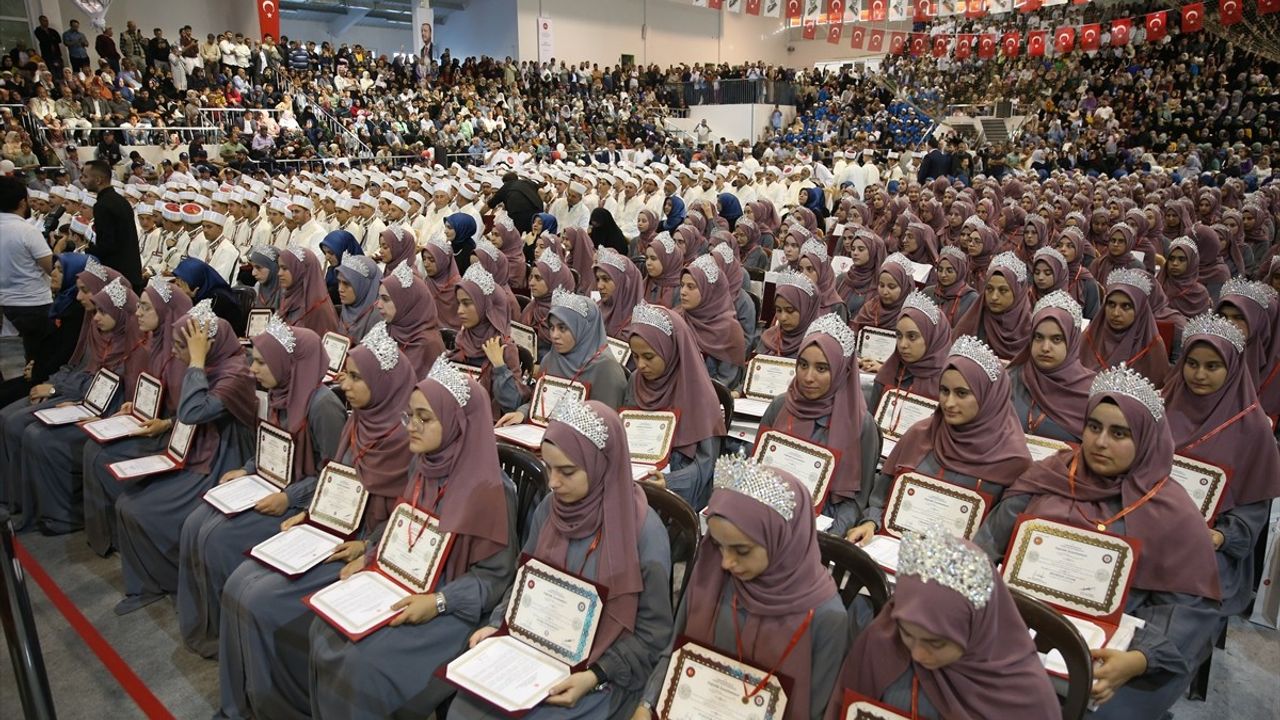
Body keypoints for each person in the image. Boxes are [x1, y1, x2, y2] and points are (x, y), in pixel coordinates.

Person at [976, 365, 1222, 718]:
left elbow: (1186, 611)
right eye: (1094, 427)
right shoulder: (1053, 474)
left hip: (1111, 648)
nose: (1100, 442)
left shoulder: (1173, 512)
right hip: (1014, 623)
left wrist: (1136, 660)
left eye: (1119, 433)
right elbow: (987, 544)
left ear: (1145, 438)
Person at [217, 326, 415, 717]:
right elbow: (335, 476)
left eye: (357, 377)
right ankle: (249, 698)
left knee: (261, 599)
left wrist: (367, 545)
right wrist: (312, 511)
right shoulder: (359, 421)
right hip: (334, 529)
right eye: (348, 373)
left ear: (383, 382)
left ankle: (281, 702)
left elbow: (409, 519)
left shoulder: (407, 440)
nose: (344, 382)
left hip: (364, 546)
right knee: (239, 582)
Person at [309, 358, 519, 717]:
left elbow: (494, 580)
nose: (412, 427)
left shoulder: (491, 490)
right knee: (323, 629)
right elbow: (402, 524)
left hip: (450, 606)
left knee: (365, 663)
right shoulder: (421, 463)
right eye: (410, 416)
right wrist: (371, 553)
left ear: (456, 423)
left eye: (425, 418)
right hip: (401, 582)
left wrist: (437, 602)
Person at [454, 399, 672, 720]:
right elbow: (523, 579)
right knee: (466, 708)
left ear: (602, 465)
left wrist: (595, 674)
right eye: (550, 467)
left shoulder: (643, 533)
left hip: (602, 668)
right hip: (536, 648)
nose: (553, 482)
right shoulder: (550, 509)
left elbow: (653, 636)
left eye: (567, 471)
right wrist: (498, 625)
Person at [177, 318, 345, 657]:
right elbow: (272, 445)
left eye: (260, 362)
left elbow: (337, 480)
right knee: (197, 522)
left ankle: (233, 638)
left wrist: (289, 497)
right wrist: (248, 468)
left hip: (302, 504)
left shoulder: (322, 405)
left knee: (221, 539)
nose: (252, 371)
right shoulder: (280, 393)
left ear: (287, 364)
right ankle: (211, 629)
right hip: (273, 486)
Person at [638, 456, 848, 720]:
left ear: (782, 542)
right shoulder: (712, 571)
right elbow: (675, 650)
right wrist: (646, 704)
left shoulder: (827, 617)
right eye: (718, 544)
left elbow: (818, 711)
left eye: (742, 550)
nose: (726, 562)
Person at [114, 301, 257, 615]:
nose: (175, 352)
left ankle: (170, 578)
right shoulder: (211, 365)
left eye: (183, 347)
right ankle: (157, 580)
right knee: (127, 501)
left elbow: (193, 412)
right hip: (194, 446)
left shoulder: (235, 373)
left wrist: (195, 361)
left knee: (143, 509)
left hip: (221, 459)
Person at [828, 531, 1059, 719]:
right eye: (907, 634)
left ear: (977, 632)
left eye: (936, 643)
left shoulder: (1026, 698)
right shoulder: (882, 641)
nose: (917, 654)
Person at [849, 335, 1032, 546]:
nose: (949, 402)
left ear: (989, 397)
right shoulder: (920, 435)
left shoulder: (1013, 461)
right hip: (890, 548)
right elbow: (880, 497)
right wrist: (870, 522)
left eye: (962, 393)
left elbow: (996, 539)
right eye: (944, 391)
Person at [1163, 314, 1280, 618]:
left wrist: (1222, 536)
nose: (1199, 374)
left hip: (1211, 540)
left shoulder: (1253, 428)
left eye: (1212, 366)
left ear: (1233, 368)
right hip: (1153, 522)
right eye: (1192, 364)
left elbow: (1254, 508)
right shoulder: (1163, 405)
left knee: (1181, 601)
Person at [21, 278, 146, 535]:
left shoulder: (137, 344)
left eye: (102, 311)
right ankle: (41, 509)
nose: (95, 317)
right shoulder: (99, 333)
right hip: (94, 402)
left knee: (45, 439)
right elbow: (87, 374)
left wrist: (75, 399)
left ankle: (67, 515)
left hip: (118, 413)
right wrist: (78, 401)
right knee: (26, 428)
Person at [0, 258, 121, 523]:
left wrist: (55, 389)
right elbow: (77, 363)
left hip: (97, 404)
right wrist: (54, 383)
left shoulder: (126, 336)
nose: (79, 297)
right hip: (78, 391)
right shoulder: (95, 324)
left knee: (33, 432)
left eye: (86, 290)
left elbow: (109, 385)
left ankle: (57, 514)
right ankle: (18, 497)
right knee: (9, 417)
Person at [82, 275, 191, 557]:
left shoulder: (181, 356)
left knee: (104, 457)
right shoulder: (155, 343)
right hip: (155, 423)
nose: (138, 313)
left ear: (165, 312)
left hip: (175, 435)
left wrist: (165, 422)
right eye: (139, 307)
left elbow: (188, 414)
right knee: (93, 449)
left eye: (146, 308)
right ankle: (110, 535)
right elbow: (155, 391)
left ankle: (125, 538)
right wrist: (137, 405)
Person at [760, 313, 881, 536]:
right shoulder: (779, 406)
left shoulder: (861, 425)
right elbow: (756, 469)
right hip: (767, 513)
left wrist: (831, 534)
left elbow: (857, 501)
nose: (808, 377)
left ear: (841, 371)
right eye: (803, 365)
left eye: (822, 368)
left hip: (824, 523)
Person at [622, 304, 725, 510]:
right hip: (632, 478)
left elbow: (706, 465)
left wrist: (671, 482)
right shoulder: (636, 381)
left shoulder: (699, 394)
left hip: (673, 487)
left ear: (670, 349)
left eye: (649, 356)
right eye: (635, 356)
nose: (641, 365)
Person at [500, 291, 626, 427]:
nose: (554, 335)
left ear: (583, 329)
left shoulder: (607, 371)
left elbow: (606, 426)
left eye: (562, 328)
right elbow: (538, 402)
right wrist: (522, 413)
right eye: (552, 328)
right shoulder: (551, 359)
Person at [1008, 291, 1095, 443]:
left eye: (1056, 339)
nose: (1045, 347)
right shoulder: (1011, 379)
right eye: (1039, 337)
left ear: (1072, 341)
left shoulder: (1090, 391)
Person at [453, 264, 530, 418]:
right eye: (459, 303)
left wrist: (499, 366)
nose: (459, 311)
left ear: (485, 306)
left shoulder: (505, 347)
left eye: (467, 303)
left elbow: (513, 404)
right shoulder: (462, 339)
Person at [1079, 268, 1170, 388]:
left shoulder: (1153, 347)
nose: (1116, 313)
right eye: (1111, 304)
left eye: (1125, 306)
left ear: (1140, 309)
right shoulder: (1089, 337)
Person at [0, 176, 54, 368]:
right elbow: (50, 267)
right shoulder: (26, 230)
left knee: (28, 349)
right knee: (41, 353)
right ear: (23, 202)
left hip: (7, 301)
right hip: (34, 301)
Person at [870, 290, 952, 407]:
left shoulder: (951, 382)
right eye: (899, 335)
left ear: (933, 338)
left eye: (912, 337)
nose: (903, 345)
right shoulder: (889, 373)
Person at [677, 255, 746, 387]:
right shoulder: (677, 318)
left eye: (691, 287)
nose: (683, 292)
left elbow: (725, 382)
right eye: (682, 285)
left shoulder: (729, 329)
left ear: (709, 290)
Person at [953, 251, 1032, 362]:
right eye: (989, 289)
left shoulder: (1031, 327)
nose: (994, 297)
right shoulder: (973, 322)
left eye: (1003, 290)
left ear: (1018, 292)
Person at [82, 160, 143, 289]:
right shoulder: (121, 201)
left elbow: (107, 244)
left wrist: (86, 252)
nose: (82, 180)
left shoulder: (103, 205)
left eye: (86, 176)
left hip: (117, 275)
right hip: (131, 272)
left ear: (98, 180)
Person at [378, 263, 446, 379]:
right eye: (379, 298)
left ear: (406, 303)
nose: (379, 305)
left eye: (385, 299)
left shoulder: (428, 344)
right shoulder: (388, 329)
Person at [520, 249, 575, 361]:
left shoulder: (567, 316)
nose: (531, 283)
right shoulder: (531, 308)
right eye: (531, 277)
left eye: (538, 278)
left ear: (554, 282)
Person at [279, 245, 340, 336]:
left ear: (301, 270)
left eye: (285, 268)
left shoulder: (318, 310)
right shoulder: (289, 298)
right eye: (279, 268)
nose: (279, 273)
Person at [758, 269, 820, 359]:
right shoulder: (769, 338)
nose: (783, 318)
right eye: (779, 310)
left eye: (790, 310)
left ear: (806, 310)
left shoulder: (816, 345)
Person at [594, 247, 644, 338]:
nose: (599, 286)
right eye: (598, 279)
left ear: (624, 283)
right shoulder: (595, 311)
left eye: (606, 279)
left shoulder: (643, 323)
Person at [836, 230, 887, 319]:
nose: (855, 253)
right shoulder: (842, 279)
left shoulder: (881, 284)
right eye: (853, 249)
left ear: (873, 251)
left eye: (861, 249)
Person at [1053, 227, 1102, 319]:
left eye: (1070, 246)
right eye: (1059, 245)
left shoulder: (1087, 281)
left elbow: (1092, 318)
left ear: (1078, 250)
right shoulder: (1049, 274)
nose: (1063, 249)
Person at [334, 254, 383, 342]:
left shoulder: (378, 318)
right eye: (339, 282)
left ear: (364, 286)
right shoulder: (348, 308)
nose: (340, 289)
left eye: (347, 284)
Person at [421, 233, 462, 328]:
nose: (426, 264)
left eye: (431, 260)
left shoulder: (458, 287)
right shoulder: (426, 282)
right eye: (424, 259)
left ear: (443, 260)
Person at [318, 229, 363, 305]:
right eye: (325, 252)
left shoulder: (358, 276)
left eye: (331, 253)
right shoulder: (332, 271)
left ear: (344, 251)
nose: (327, 257)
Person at [642, 231, 682, 308]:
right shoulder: (647, 282)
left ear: (667, 261)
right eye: (647, 258)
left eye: (653, 259)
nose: (648, 263)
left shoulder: (681, 289)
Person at [247, 244, 283, 311]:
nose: (253, 273)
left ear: (273, 268)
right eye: (253, 267)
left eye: (258, 267)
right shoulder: (257, 288)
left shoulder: (287, 293)